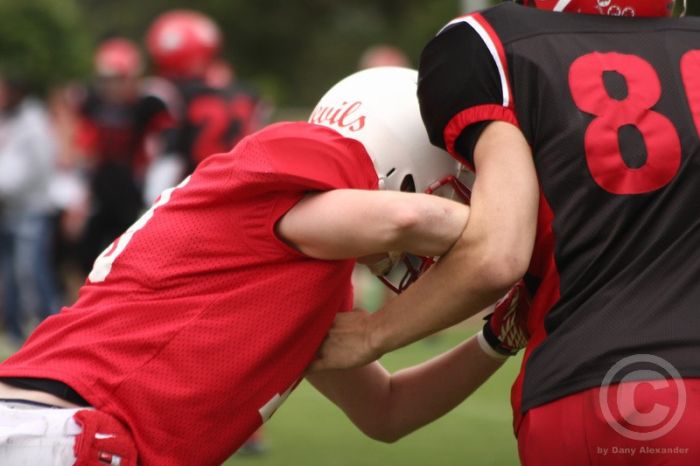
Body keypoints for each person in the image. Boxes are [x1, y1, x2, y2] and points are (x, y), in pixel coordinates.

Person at [0, 67, 525, 466]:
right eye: (449, 188)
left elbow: (386, 411)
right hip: (62, 430)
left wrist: (496, 339)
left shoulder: (306, 260)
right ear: (398, 163)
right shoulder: (294, 170)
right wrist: (511, 231)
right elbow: (404, 217)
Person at [313, 1, 700, 465]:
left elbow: (496, 255)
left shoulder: (497, 44)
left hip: (596, 391)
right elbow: (385, 409)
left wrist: (382, 333)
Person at [143, 9, 267, 204]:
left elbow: (169, 155)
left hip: (191, 186)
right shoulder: (247, 93)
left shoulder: (168, 91)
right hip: (241, 185)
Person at [74, 37, 173, 274]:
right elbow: (86, 147)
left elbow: (165, 148)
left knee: (131, 259)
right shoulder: (93, 103)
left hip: (134, 190)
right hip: (102, 188)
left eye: (118, 79)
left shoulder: (148, 106)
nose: (112, 87)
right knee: (86, 256)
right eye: (107, 80)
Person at [0, 73, 60, 345]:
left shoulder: (33, 124)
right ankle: (14, 333)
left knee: (32, 273)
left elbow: (25, 173)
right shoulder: (9, 120)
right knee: (9, 277)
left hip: (31, 210)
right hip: (11, 210)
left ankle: (52, 332)